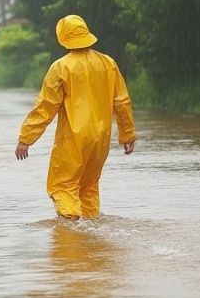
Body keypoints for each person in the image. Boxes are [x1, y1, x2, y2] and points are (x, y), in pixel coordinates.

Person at [15, 14, 136, 220]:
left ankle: (73, 234)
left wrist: (26, 138)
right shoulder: (108, 63)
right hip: (101, 138)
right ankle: (91, 233)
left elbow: (46, 106)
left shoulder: (61, 67)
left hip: (74, 138)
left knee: (62, 186)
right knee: (88, 188)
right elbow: (122, 101)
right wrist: (128, 135)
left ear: (63, 37)